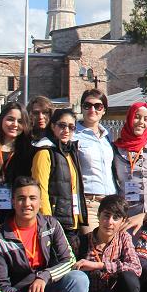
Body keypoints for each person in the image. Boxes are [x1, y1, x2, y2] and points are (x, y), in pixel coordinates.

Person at [31, 108, 88, 254]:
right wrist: (48, 222)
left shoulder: (69, 152)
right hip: (56, 224)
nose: (66, 130)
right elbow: (40, 190)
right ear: (53, 126)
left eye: (71, 127)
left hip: (73, 223)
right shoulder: (45, 152)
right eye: (62, 125)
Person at [0, 102, 33, 227]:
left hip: (18, 220)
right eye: (10, 119)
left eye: (20, 121)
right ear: (1, 120)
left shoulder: (29, 154)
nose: (15, 124)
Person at [73, 89, 116, 237]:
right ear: (82, 108)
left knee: (111, 250)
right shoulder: (73, 135)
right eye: (87, 105)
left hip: (111, 202)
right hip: (89, 202)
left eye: (98, 106)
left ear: (104, 110)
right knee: (93, 247)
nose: (92, 109)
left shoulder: (107, 137)